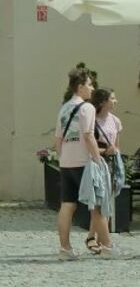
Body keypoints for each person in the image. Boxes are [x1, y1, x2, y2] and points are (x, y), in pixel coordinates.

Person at [54, 68, 115, 259]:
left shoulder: (64, 108)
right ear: (80, 87)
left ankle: (65, 249)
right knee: (97, 205)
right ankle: (107, 248)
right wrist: (97, 159)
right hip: (84, 163)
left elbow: (57, 139)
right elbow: (88, 136)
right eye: (89, 84)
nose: (92, 88)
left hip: (66, 163)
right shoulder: (87, 108)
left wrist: (62, 157)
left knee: (67, 205)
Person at [87, 85, 125, 254]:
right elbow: (88, 146)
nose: (115, 101)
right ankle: (102, 241)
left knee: (107, 201)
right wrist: (104, 151)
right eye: (112, 98)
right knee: (99, 202)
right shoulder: (92, 121)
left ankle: (93, 238)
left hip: (112, 164)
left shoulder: (115, 121)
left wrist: (116, 155)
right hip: (97, 163)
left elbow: (117, 145)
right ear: (103, 102)